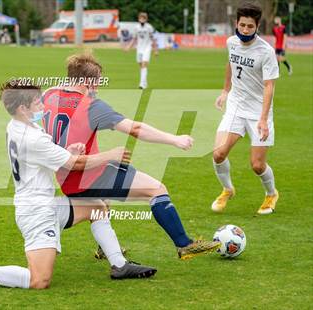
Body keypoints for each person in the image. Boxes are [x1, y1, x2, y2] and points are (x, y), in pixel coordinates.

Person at [0, 82, 157, 290]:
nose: (43, 106)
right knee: (39, 280)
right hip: (36, 213)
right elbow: (73, 164)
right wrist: (109, 156)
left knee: (97, 208)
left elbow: (48, 158)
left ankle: (120, 265)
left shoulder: (16, 125)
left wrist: (67, 151)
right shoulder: (33, 138)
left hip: (45, 204)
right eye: (37, 103)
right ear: (23, 108)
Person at [42, 53, 220, 260]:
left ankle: (106, 249)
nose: (98, 88)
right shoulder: (92, 106)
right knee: (156, 190)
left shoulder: (48, 95)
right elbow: (135, 129)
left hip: (65, 177)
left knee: (102, 205)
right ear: (87, 82)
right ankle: (184, 245)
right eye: (97, 83)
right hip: (88, 174)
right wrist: (174, 139)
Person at [211, 2, 280, 215]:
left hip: (259, 112)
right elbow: (230, 64)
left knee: (257, 165)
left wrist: (262, 118)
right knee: (218, 154)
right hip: (236, 107)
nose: (245, 30)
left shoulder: (266, 52)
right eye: (242, 25)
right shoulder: (231, 42)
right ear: (236, 23)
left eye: (250, 26)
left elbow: (270, 86)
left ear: (257, 26)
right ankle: (228, 189)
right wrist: (225, 90)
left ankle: (271, 194)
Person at [125, 12, 158, 89]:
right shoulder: (136, 28)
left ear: (146, 19)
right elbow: (134, 38)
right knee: (141, 66)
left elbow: (153, 39)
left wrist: (155, 50)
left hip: (147, 48)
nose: (142, 19)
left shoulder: (149, 27)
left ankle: (142, 84)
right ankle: (145, 82)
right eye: (141, 18)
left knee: (144, 64)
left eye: (143, 18)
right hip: (139, 48)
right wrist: (128, 47)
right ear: (139, 19)